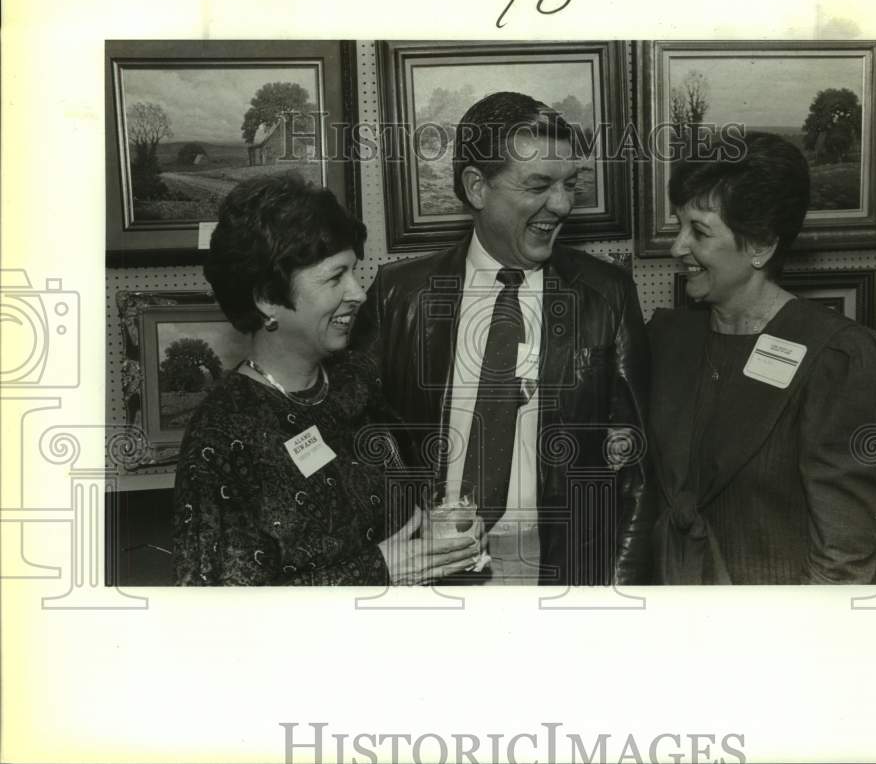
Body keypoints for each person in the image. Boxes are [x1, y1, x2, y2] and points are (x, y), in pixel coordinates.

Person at [352, 91, 652, 586]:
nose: (560, 205)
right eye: (538, 185)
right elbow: (358, 442)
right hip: (423, 562)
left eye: (569, 185)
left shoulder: (607, 294)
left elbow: (635, 471)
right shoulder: (398, 294)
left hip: (556, 565)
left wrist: (621, 594)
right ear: (477, 187)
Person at [173, 172, 482, 586]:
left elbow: (396, 505)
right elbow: (220, 617)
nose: (358, 292)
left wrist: (441, 532)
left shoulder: (355, 380)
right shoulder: (224, 435)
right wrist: (378, 571)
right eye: (336, 277)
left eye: (354, 272)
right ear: (268, 298)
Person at [647, 132, 876, 585]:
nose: (676, 247)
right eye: (679, 225)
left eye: (699, 231)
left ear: (761, 244)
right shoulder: (666, 339)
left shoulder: (836, 357)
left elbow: (843, 559)